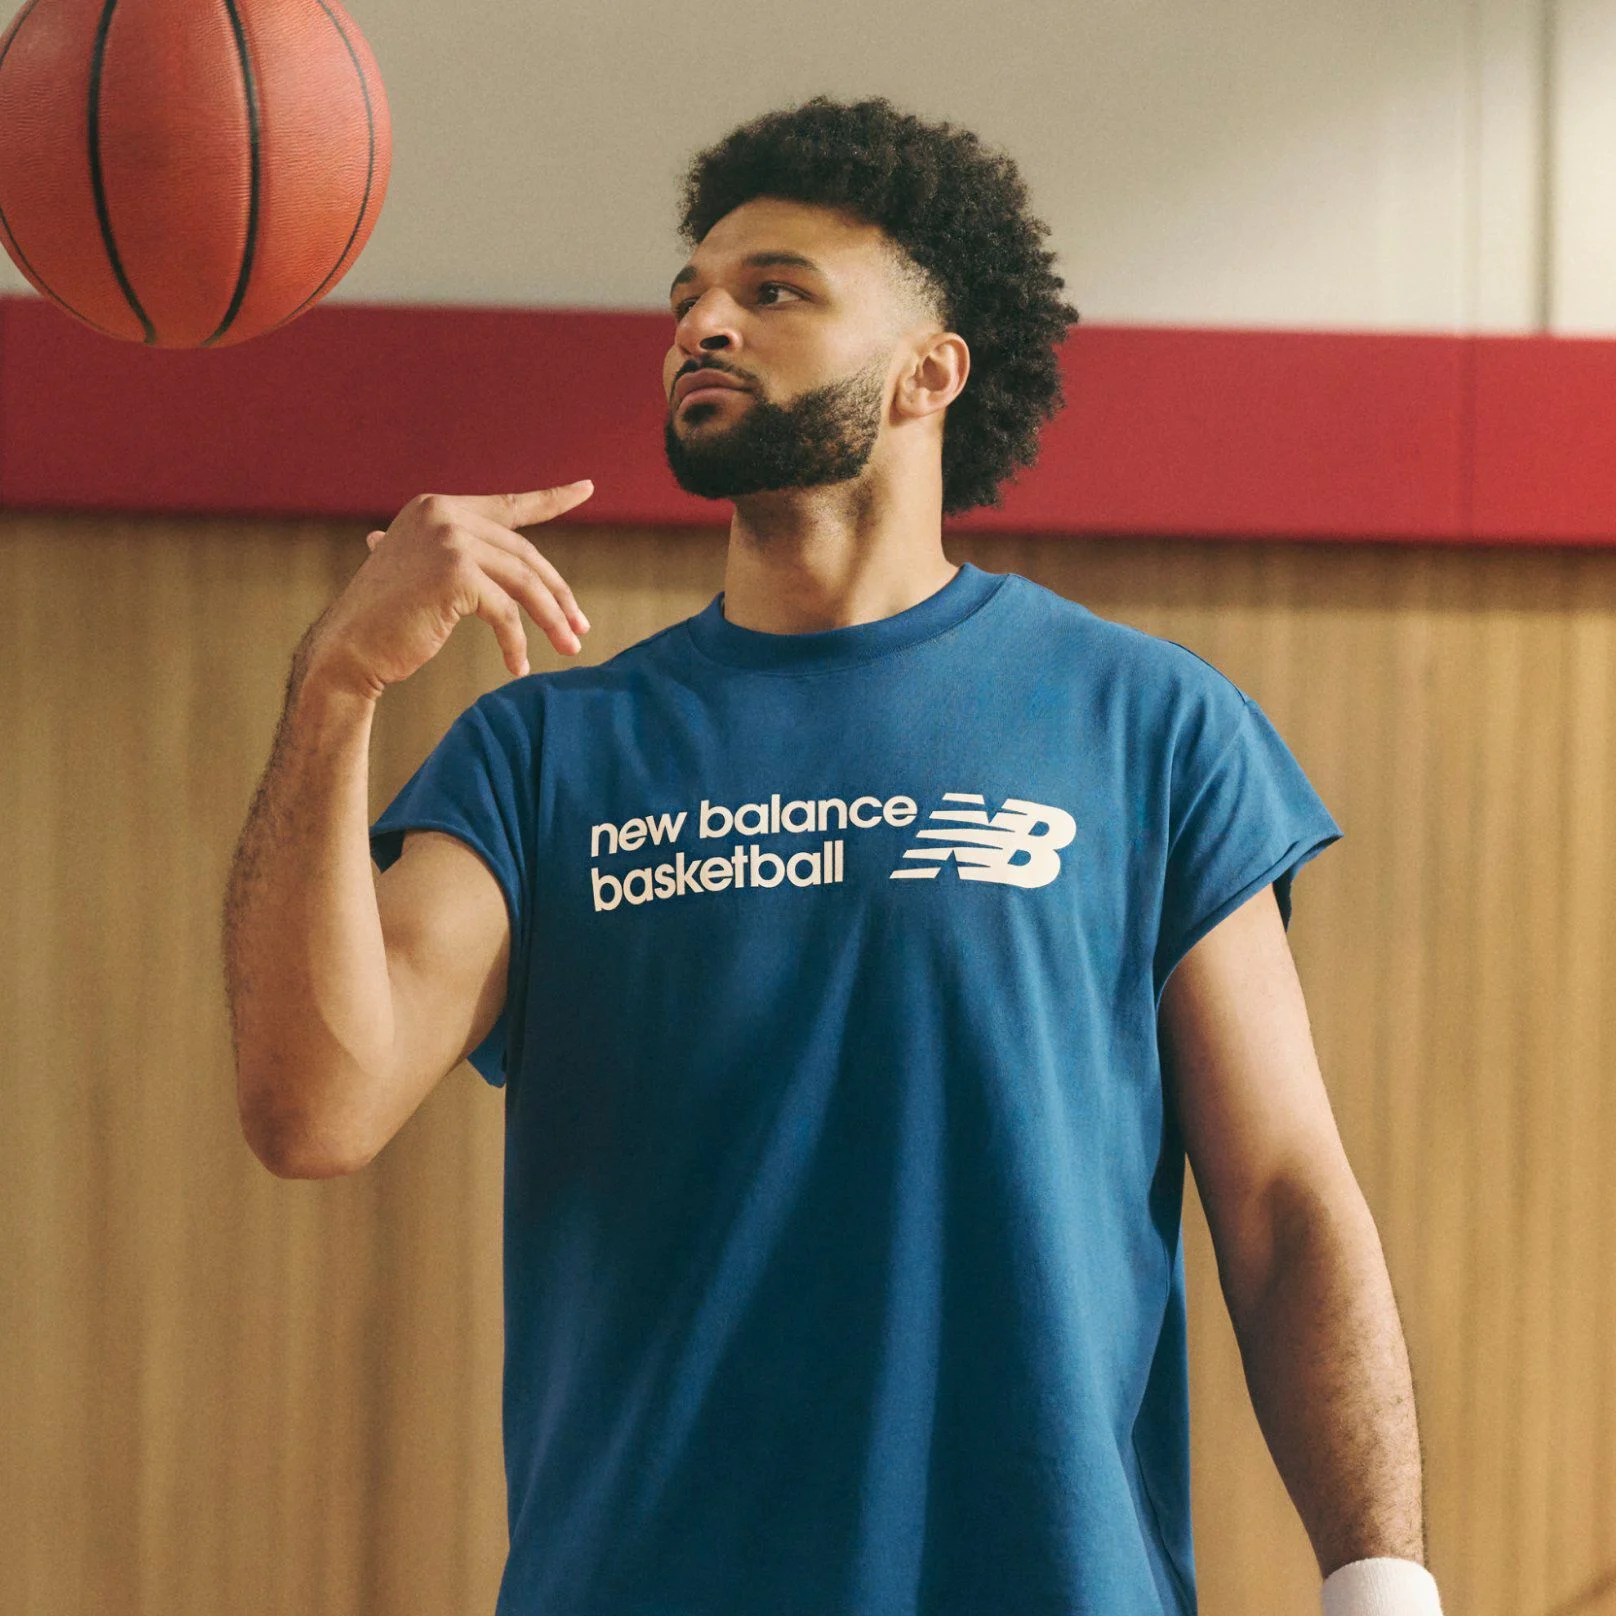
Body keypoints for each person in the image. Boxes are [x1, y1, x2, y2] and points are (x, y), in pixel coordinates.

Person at [223, 95, 1443, 1616]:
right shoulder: (549, 757)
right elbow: (310, 1107)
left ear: (930, 371)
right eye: (689, 298)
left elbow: (1283, 1203)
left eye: (773, 291)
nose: (702, 325)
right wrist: (335, 690)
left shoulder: (1146, 727)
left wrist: (1380, 1581)